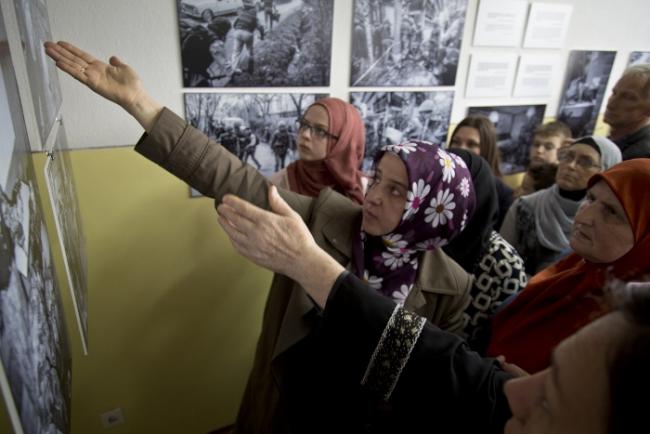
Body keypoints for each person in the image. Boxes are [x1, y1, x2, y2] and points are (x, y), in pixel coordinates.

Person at [44, 41, 477, 434]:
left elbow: (431, 383)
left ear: (431, 210)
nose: (373, 196)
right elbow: (233, 177)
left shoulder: (452, 288)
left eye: (397, 191)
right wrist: (140, 103)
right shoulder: (328, 216)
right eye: (377, 179)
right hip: (291, 407)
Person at [216, 181, 650, 434]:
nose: (514, 388)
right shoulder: (559, 282)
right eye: (546, 373)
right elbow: (439, 361)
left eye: (553, 398)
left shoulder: (455, 279)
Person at [489, 158, 650, 373]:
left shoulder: (635, 330)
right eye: (590, 198)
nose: (584, 217)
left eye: (612, 212)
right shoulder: (573, 268)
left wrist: (540, 396)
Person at [500, 136, 622, 275]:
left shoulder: (605, 223)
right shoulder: (524, 207)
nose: (570, 165)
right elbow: (500, 263)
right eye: (567, 157)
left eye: (585, 162)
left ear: (606, 172)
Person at [443, 149, 528, 345]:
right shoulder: (415, 237)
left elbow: (501, 341)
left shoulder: (504, 263)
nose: (444, 198)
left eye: (457, 188)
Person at [267, 97, 367, 205]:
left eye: (320, 130)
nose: (305, 134)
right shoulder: (278, 185)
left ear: (343, 142)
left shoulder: (368, 191)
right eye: (304, 125)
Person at [449, 115, 513, 229]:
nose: (461, 149)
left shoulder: (503, 196)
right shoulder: (442, 182)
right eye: (456, 142)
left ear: (487, 149)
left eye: (471, 144)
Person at [604, 64, 650, 159]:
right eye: (614, 93)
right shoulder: (615, 141)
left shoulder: (641, 156)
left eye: (628, 98)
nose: (611, 103)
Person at [180, 17, 231, 86]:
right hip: (193, 71)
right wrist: (233, 71)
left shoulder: (200, 31)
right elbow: (223, 61)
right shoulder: (215, 41)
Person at [231, 0, 265, 74]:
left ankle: (233, 69)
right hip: (247, 34)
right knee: (250, 51)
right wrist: (262, 36)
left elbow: (234, 25)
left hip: (237, 31)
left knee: (236, 52)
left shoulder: (242, 14)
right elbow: (261, 27)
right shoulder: (255, 17)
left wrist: (239, 30)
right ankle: (250, 70)